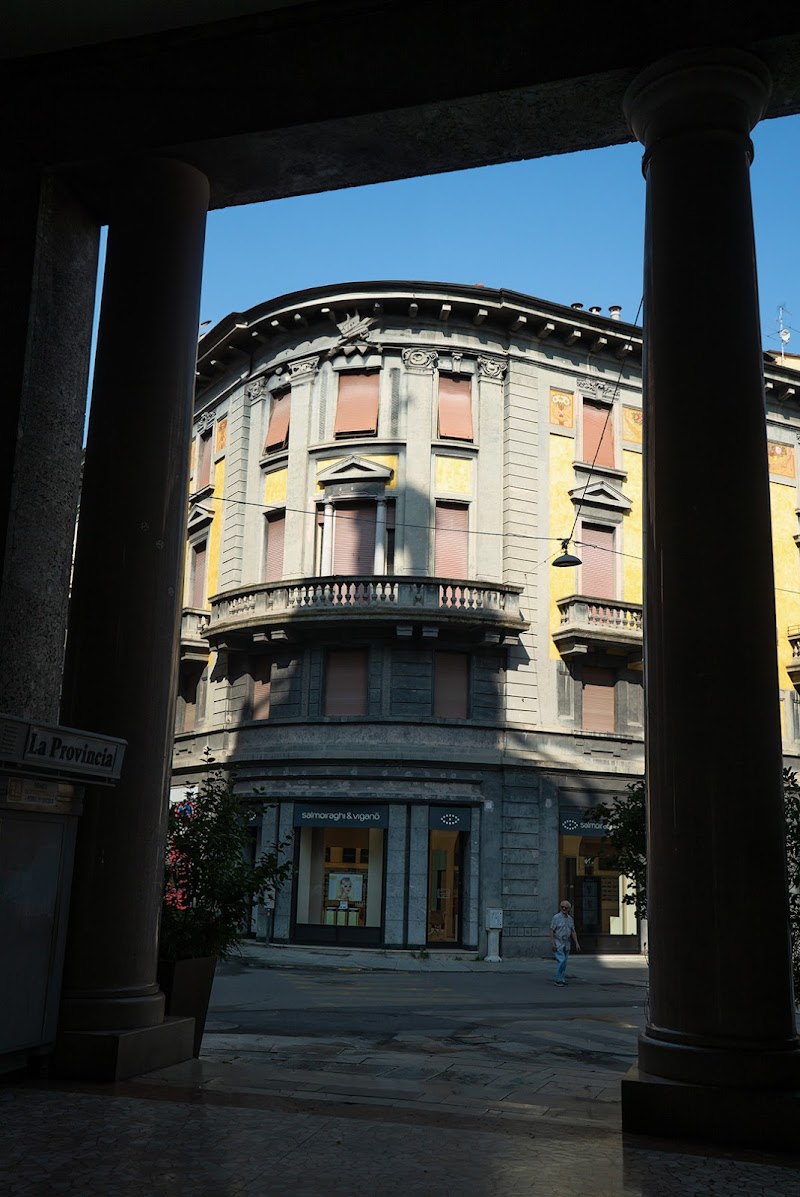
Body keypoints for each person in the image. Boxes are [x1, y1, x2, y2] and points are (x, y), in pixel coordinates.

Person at [550, 900, 580, 985]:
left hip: (566, 943)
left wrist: (577, 943)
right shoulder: (556, 917)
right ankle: (558, 979)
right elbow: (552, 930)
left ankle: (561, 978)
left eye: (565, 907)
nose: (563, 908)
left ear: (569, 909)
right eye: (562, 907)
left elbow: (573, 931)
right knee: (561, 960)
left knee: (564, 962)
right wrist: (552, 943)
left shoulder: (570, 919)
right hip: (558, 941)